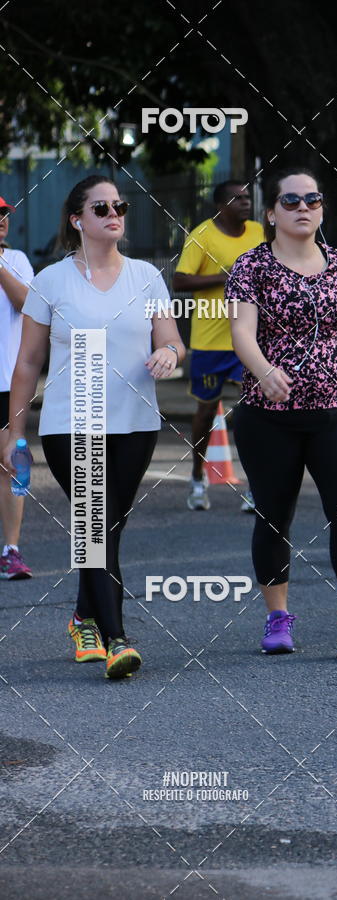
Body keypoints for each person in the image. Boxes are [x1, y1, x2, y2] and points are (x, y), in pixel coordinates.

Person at [4, 175, 185, 678]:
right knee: (93, 531)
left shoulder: (147, 275)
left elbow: (171, 338)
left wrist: (169, 353)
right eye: (101, 207)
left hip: (135, 423)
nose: (114, 214)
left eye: (120, 206)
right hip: (70, 424)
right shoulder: (51, 281)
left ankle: (84, 614)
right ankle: (117, 639)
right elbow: (27, 363)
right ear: (77, 219)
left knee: (109, 529)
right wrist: (12, 431)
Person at [226, 166, 337, 655]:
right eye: (292, 200)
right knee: (274, 516)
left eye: (313, 200)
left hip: (336, 411)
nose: (304, 208)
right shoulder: (250, 266)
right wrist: (264, 371)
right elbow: (241, 332)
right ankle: (277, 620)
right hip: (267, 415)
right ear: (271, 212)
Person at [172, 180, 263, 512]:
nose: (245, 203)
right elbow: (180, 280)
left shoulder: (259, 232)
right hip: (210, 341)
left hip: (251, 339)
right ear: (220, 206)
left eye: (248, 198)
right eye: (236, 199)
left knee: (254, 412)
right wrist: (226, 277)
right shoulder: (202, 235)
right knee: (206, 410)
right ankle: (198, 476)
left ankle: (257, 486)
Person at [0, 197, 35, 580]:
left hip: (7, 385)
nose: (1, 220)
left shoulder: (18, 260)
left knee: (11, 465)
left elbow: (26, 301)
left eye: (4, 214)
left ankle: (11, 549)